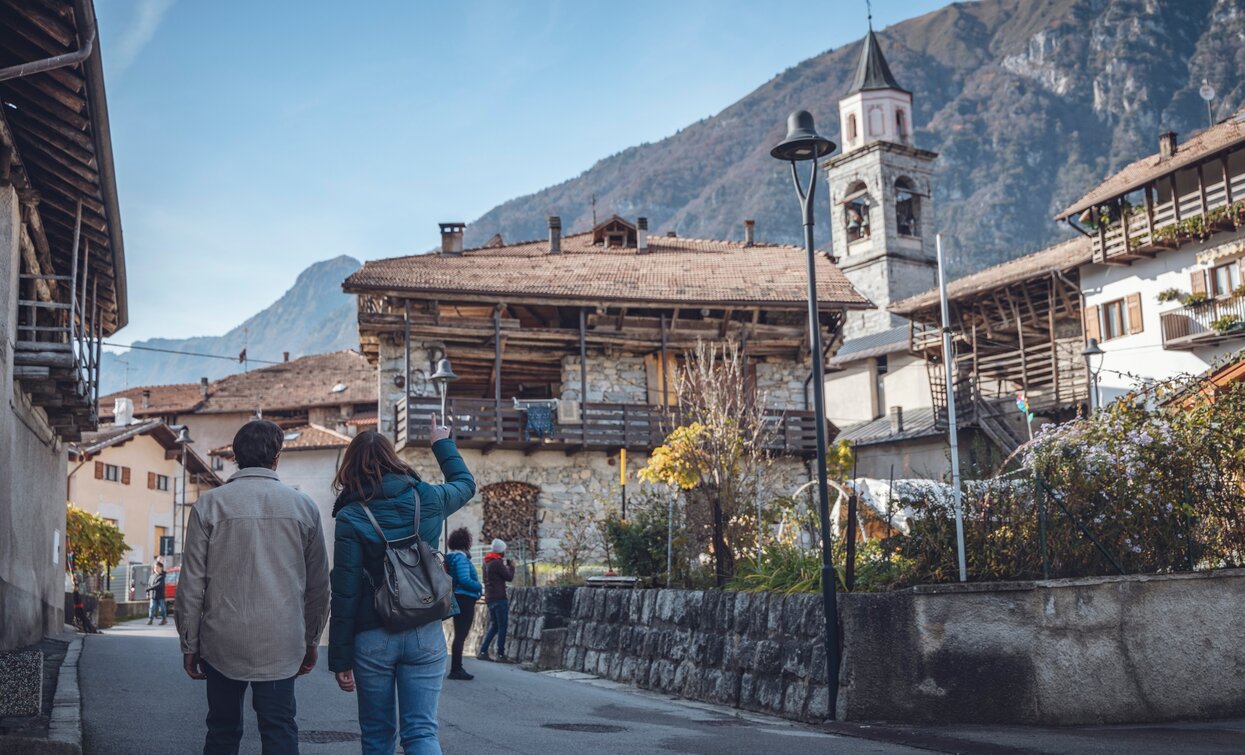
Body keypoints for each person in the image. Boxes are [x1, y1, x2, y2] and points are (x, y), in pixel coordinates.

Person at [177, 420, 331, 755]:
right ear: (277, 457)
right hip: (281, 640)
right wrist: (311, 640)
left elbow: (191, 584)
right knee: (279, 731)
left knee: (222, 730)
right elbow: (319, 587)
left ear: (235, 456)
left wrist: (189, 643)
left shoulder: (209, 505)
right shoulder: (304, 507)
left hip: (221, 640)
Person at [329, 416, 475, 755]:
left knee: (378, 735)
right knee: (422, 733)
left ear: (350, 467)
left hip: (373, 633)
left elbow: (346, 590)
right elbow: (465, 483)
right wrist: (441, 442)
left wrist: (340, 658)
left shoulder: (351, 516)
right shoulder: (429, 498)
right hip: (425, 626)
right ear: (393, 459)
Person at [444, 527, 482, 681]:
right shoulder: (461, 558)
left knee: (459, 635)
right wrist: (479, 586)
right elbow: (464, 579)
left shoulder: (450, 557)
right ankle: (456, 669)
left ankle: (456, 668)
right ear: (466, 542)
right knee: (461, 635)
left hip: (457, 597)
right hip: (465, 598)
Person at [477, 539, 515, 663]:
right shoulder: (497, 563)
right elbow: (509, 577)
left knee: (494, 626)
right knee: (502, 626)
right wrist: (511, 567)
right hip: (499, 598)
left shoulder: (486, 562)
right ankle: (500, 654)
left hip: (489, 597)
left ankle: (483, 651)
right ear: (501, 551)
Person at [145, 561, 167, 625]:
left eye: (157, 567)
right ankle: (150, 619)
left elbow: (159, 585)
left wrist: (148, 589)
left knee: (162, 608)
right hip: (153, 596)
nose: (155, 569)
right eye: (154, 567)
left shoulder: (162, 576)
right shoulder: (152, 576)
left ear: (161, 568)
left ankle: (164, 619)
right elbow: (149, 585)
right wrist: (148, 593)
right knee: (152, 608)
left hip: (160, 596)